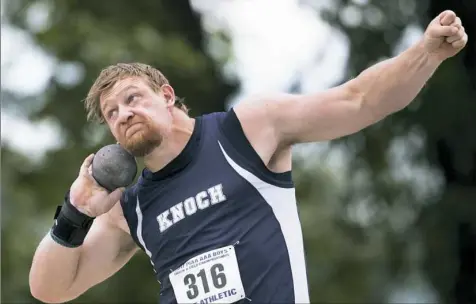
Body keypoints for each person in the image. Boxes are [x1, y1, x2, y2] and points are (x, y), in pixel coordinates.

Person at [29, 10, 467, 304]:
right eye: (112, 114)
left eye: (132, 99)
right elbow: (50, 289)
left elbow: (360, 101)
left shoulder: (249, 131)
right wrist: (76, 211)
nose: (123, 114)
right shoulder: (131, 210)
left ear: (166, 96)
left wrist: (424, 53)